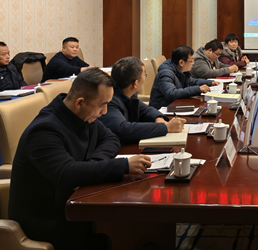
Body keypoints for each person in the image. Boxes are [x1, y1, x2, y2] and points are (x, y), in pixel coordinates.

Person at [9, 68, 151, 250]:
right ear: (80, 102)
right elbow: (66, 173)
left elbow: (111, 139)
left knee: (132, 224)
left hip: (76, 203)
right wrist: (123, 165)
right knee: (124, 226)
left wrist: (93, 164)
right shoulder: (44, 130)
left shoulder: (82, 114)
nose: (105, 111)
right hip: (49, 219)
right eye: (103, 105)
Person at [100, 56, 185, 145]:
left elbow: (145, 109)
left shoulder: (127, 93)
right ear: (135, 83)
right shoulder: (109, 100)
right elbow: (122, 129)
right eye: (145, 75)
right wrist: (166, 127)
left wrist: (158, 118)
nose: (145, 77)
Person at [150, 45, 215, 109]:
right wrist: (198, 89)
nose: (193, 63)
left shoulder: (180, 69)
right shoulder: (166, 73)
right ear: (181, 62)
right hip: (162, 110)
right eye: (191, 61)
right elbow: (171, 93)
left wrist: (211, 82)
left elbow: (191, 81)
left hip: (176, 106)